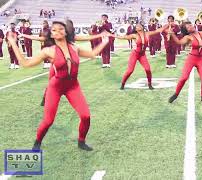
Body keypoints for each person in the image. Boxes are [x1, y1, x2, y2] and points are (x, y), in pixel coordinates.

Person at [7, 21, 110, 151]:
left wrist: (104, 42)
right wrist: (13, 43)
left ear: (66, 31)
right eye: (54, 30)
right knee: (48, 121)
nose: (58, 31)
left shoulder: (74, 47)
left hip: (73, 86)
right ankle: (37, 142)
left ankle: (81, 141)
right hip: (55, 87)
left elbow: (92, 54)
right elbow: (26, 63)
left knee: (86, 116)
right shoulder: (48, 51)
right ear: (52, 34)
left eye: (60, 28)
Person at [109, 22, 168, 90]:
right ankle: (123, 84)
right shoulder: (135, 35)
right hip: (135, 54)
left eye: (139, 25)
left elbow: (157, 31)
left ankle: (150, 84)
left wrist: (167, 24)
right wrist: (112, 35)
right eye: (137, 26)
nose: (138, 26)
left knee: (148, 69)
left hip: (142, 55)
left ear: (142, 27)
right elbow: (123, 37)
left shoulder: (147, 33)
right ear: (136, 29)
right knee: (130, 70)